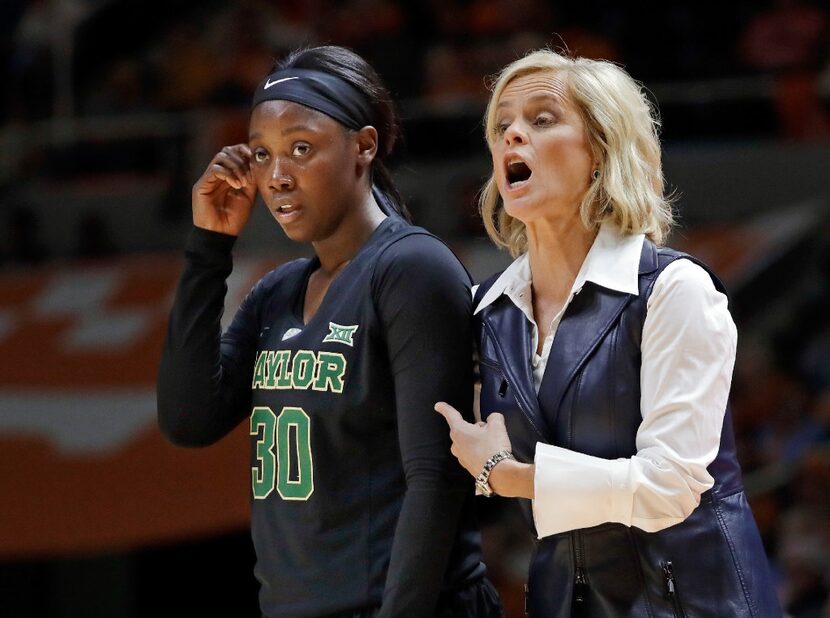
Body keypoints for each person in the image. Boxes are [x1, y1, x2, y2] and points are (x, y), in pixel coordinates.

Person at [157, 45, 502, 618]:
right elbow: (188, 419)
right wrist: (208, 249)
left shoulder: (411, 270)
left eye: (301, 149)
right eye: (263, 155)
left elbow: (435, 478)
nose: (278, 177)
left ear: (364, 145)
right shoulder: (278, 291)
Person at [434, 49, 782, 617]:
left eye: (542, 119)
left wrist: (509, 476)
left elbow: (668, 487)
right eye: (502, 126)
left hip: (697, 602)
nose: (513, 136)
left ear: (600, 149)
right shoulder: (486, 311)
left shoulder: (674, 290)